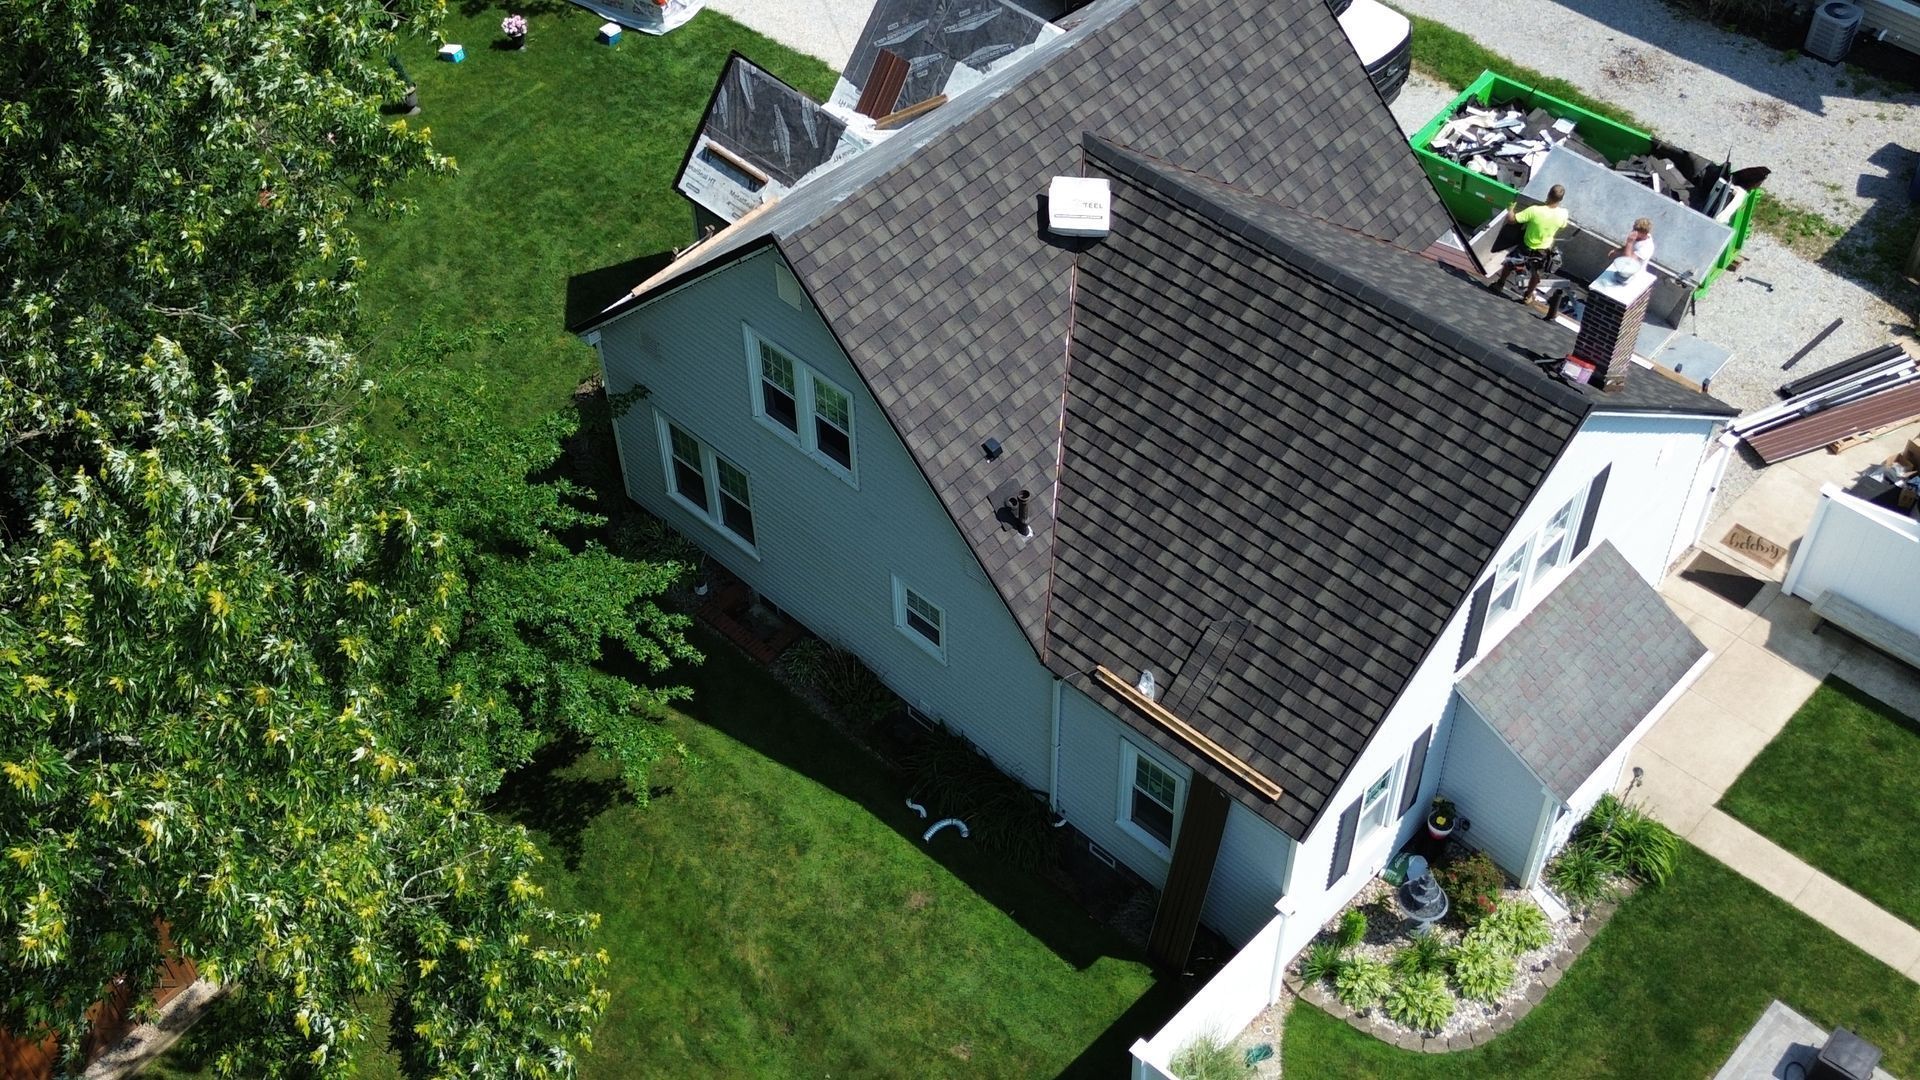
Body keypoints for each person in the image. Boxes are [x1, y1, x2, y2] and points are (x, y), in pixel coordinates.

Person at [1490, 184, 1569, 302]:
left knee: (1509, 263)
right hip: (1543, 250)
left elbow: (1512, 220)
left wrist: (1510, 209)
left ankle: (1499, 284)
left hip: (1526, 246)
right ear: (1561, 199)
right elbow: (1562, 225)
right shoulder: (1563, 214)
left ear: (1548, 194)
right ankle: (1528, 296)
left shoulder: (1535, 210)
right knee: (1536, 274)